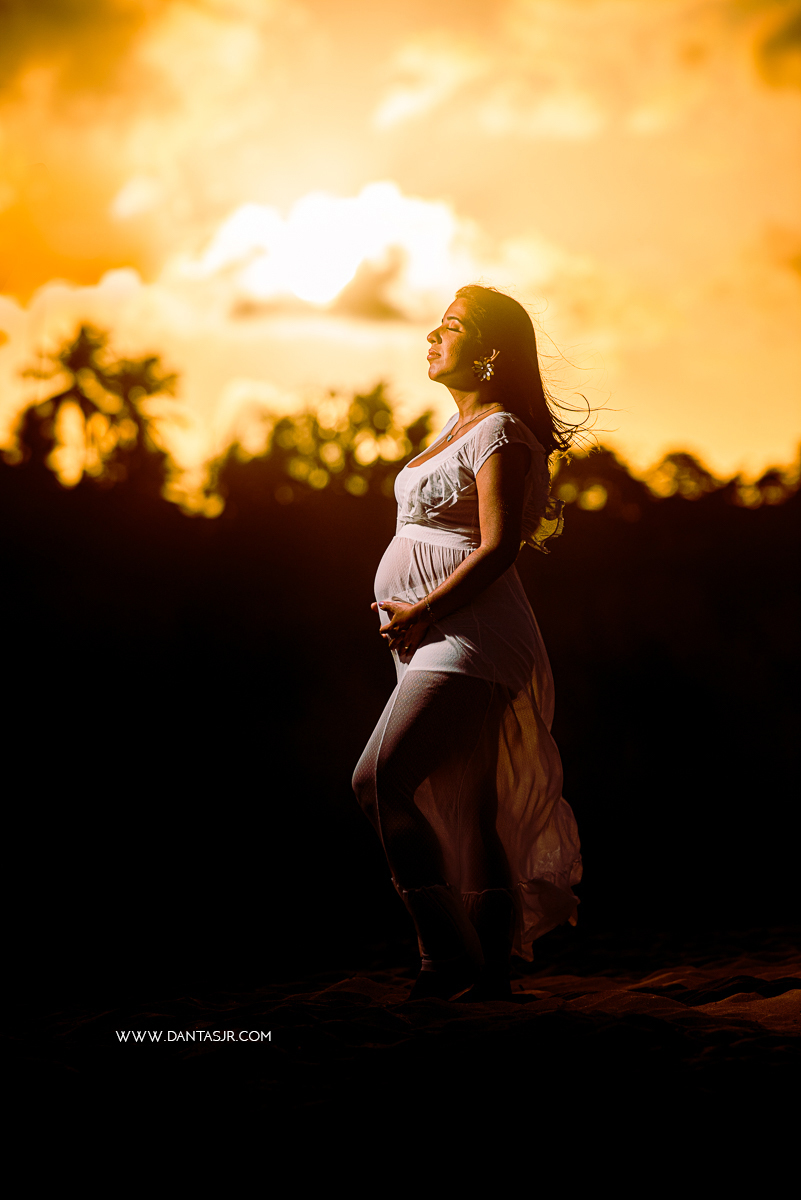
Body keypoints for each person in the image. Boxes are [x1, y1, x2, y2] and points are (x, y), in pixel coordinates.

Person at [352, 284, 583, 1002]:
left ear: (487, 353)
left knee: (378, 780)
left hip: (470, 634)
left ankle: (443, 955)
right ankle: (489, 975)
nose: (430, 334)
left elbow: (498, 547)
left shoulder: (501, 432)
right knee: (473, 803)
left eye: (449, 326)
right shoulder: (449, 432)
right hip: (430, 636)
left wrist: (422, 609)